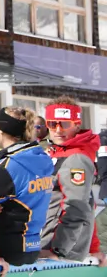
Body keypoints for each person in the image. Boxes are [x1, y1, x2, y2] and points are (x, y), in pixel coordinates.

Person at [0, 106, 53, 267]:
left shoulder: (10, 166)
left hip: (5, 248)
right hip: (31, 245)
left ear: (0, 130)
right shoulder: (42, 158)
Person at [39, 96, 101, 262]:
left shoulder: (76, 158)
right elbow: (88, 204)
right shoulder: (58, 152)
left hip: (59, 250)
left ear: (77, 125)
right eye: (52, 124)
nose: (58, 130)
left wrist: (58, 250)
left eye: (65, 124)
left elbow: (77, 207)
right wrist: (94, 247)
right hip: (53, 244)